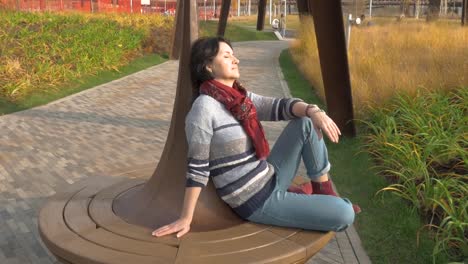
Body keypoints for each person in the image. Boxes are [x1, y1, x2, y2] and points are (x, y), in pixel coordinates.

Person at [152, 37, 358, 239]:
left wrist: (314, 111)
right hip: (256, 200)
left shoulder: (239, 99)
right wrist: (186, 218)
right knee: (344, 214)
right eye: (227, 56)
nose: (236, 60)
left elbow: (280, 106)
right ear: (208, 66)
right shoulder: (203, 109)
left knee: (305, 121)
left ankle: (323, 192)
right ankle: (311, 199)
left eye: (234, 55)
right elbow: (197, 168)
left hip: (269, 175)